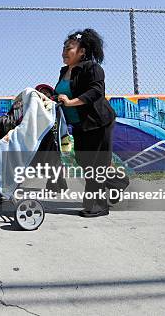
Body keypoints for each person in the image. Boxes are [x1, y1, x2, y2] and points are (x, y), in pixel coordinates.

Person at [56, 29, 118, 218]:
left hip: (99, 122)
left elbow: (95, 92)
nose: (65, 52)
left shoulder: (93, 68)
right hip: (80, 125)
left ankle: (98, 206)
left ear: (82, 51)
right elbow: (61, 94)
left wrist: (70, 102)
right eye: (63, 48)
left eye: (69, 48)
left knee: (95, 165)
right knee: (83, 161)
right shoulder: (64, 71)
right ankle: (118, 183)